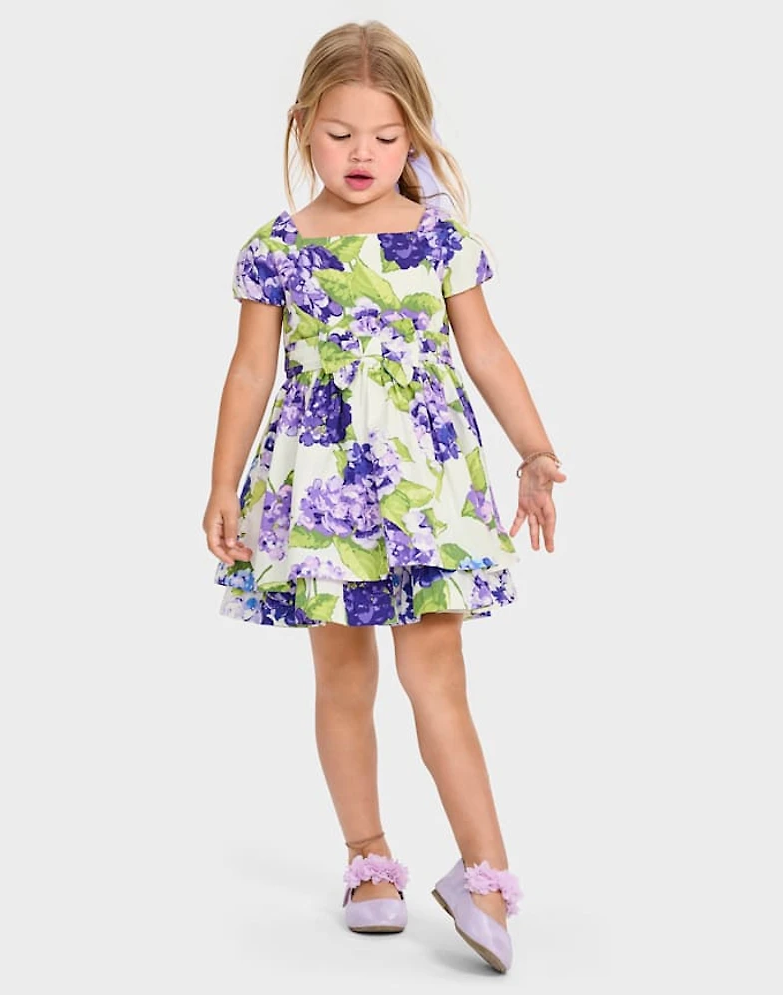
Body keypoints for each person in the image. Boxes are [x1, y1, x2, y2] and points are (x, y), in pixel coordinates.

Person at [202, 19, 566, 974]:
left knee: (436, 674)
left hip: (428, 489)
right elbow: (250, 371)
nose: (362, 154)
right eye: (339, 134)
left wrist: (534, 450)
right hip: (320, 489)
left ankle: (486, 876)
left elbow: (486, 351)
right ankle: (368, 859)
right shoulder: (277, 248)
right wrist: (223, 484)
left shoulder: (439, 239)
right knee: (341, 675)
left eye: (385, 136)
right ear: (302, 126)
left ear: (415, 136)